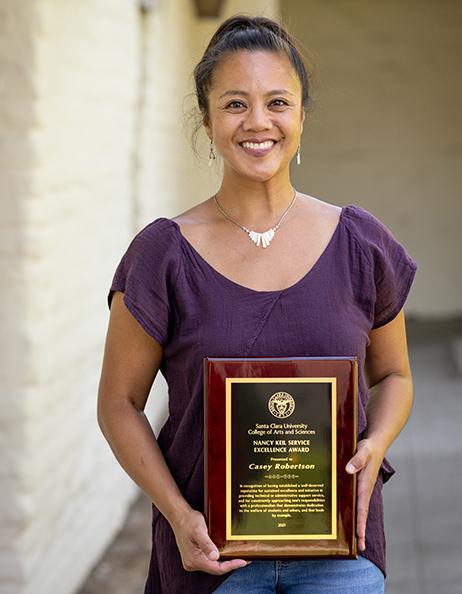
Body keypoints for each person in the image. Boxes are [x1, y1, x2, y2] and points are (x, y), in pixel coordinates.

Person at [97, 14, 418, 594]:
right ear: (207, 119)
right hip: (212, 557)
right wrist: (177, 514)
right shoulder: (162, 254)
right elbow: (119, 403)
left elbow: (394, 373)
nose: (258, 122)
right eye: (235, 104)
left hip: (340, 552)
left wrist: (376, 445)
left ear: (301, 116)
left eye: (277, 102)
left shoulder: (359, 243)